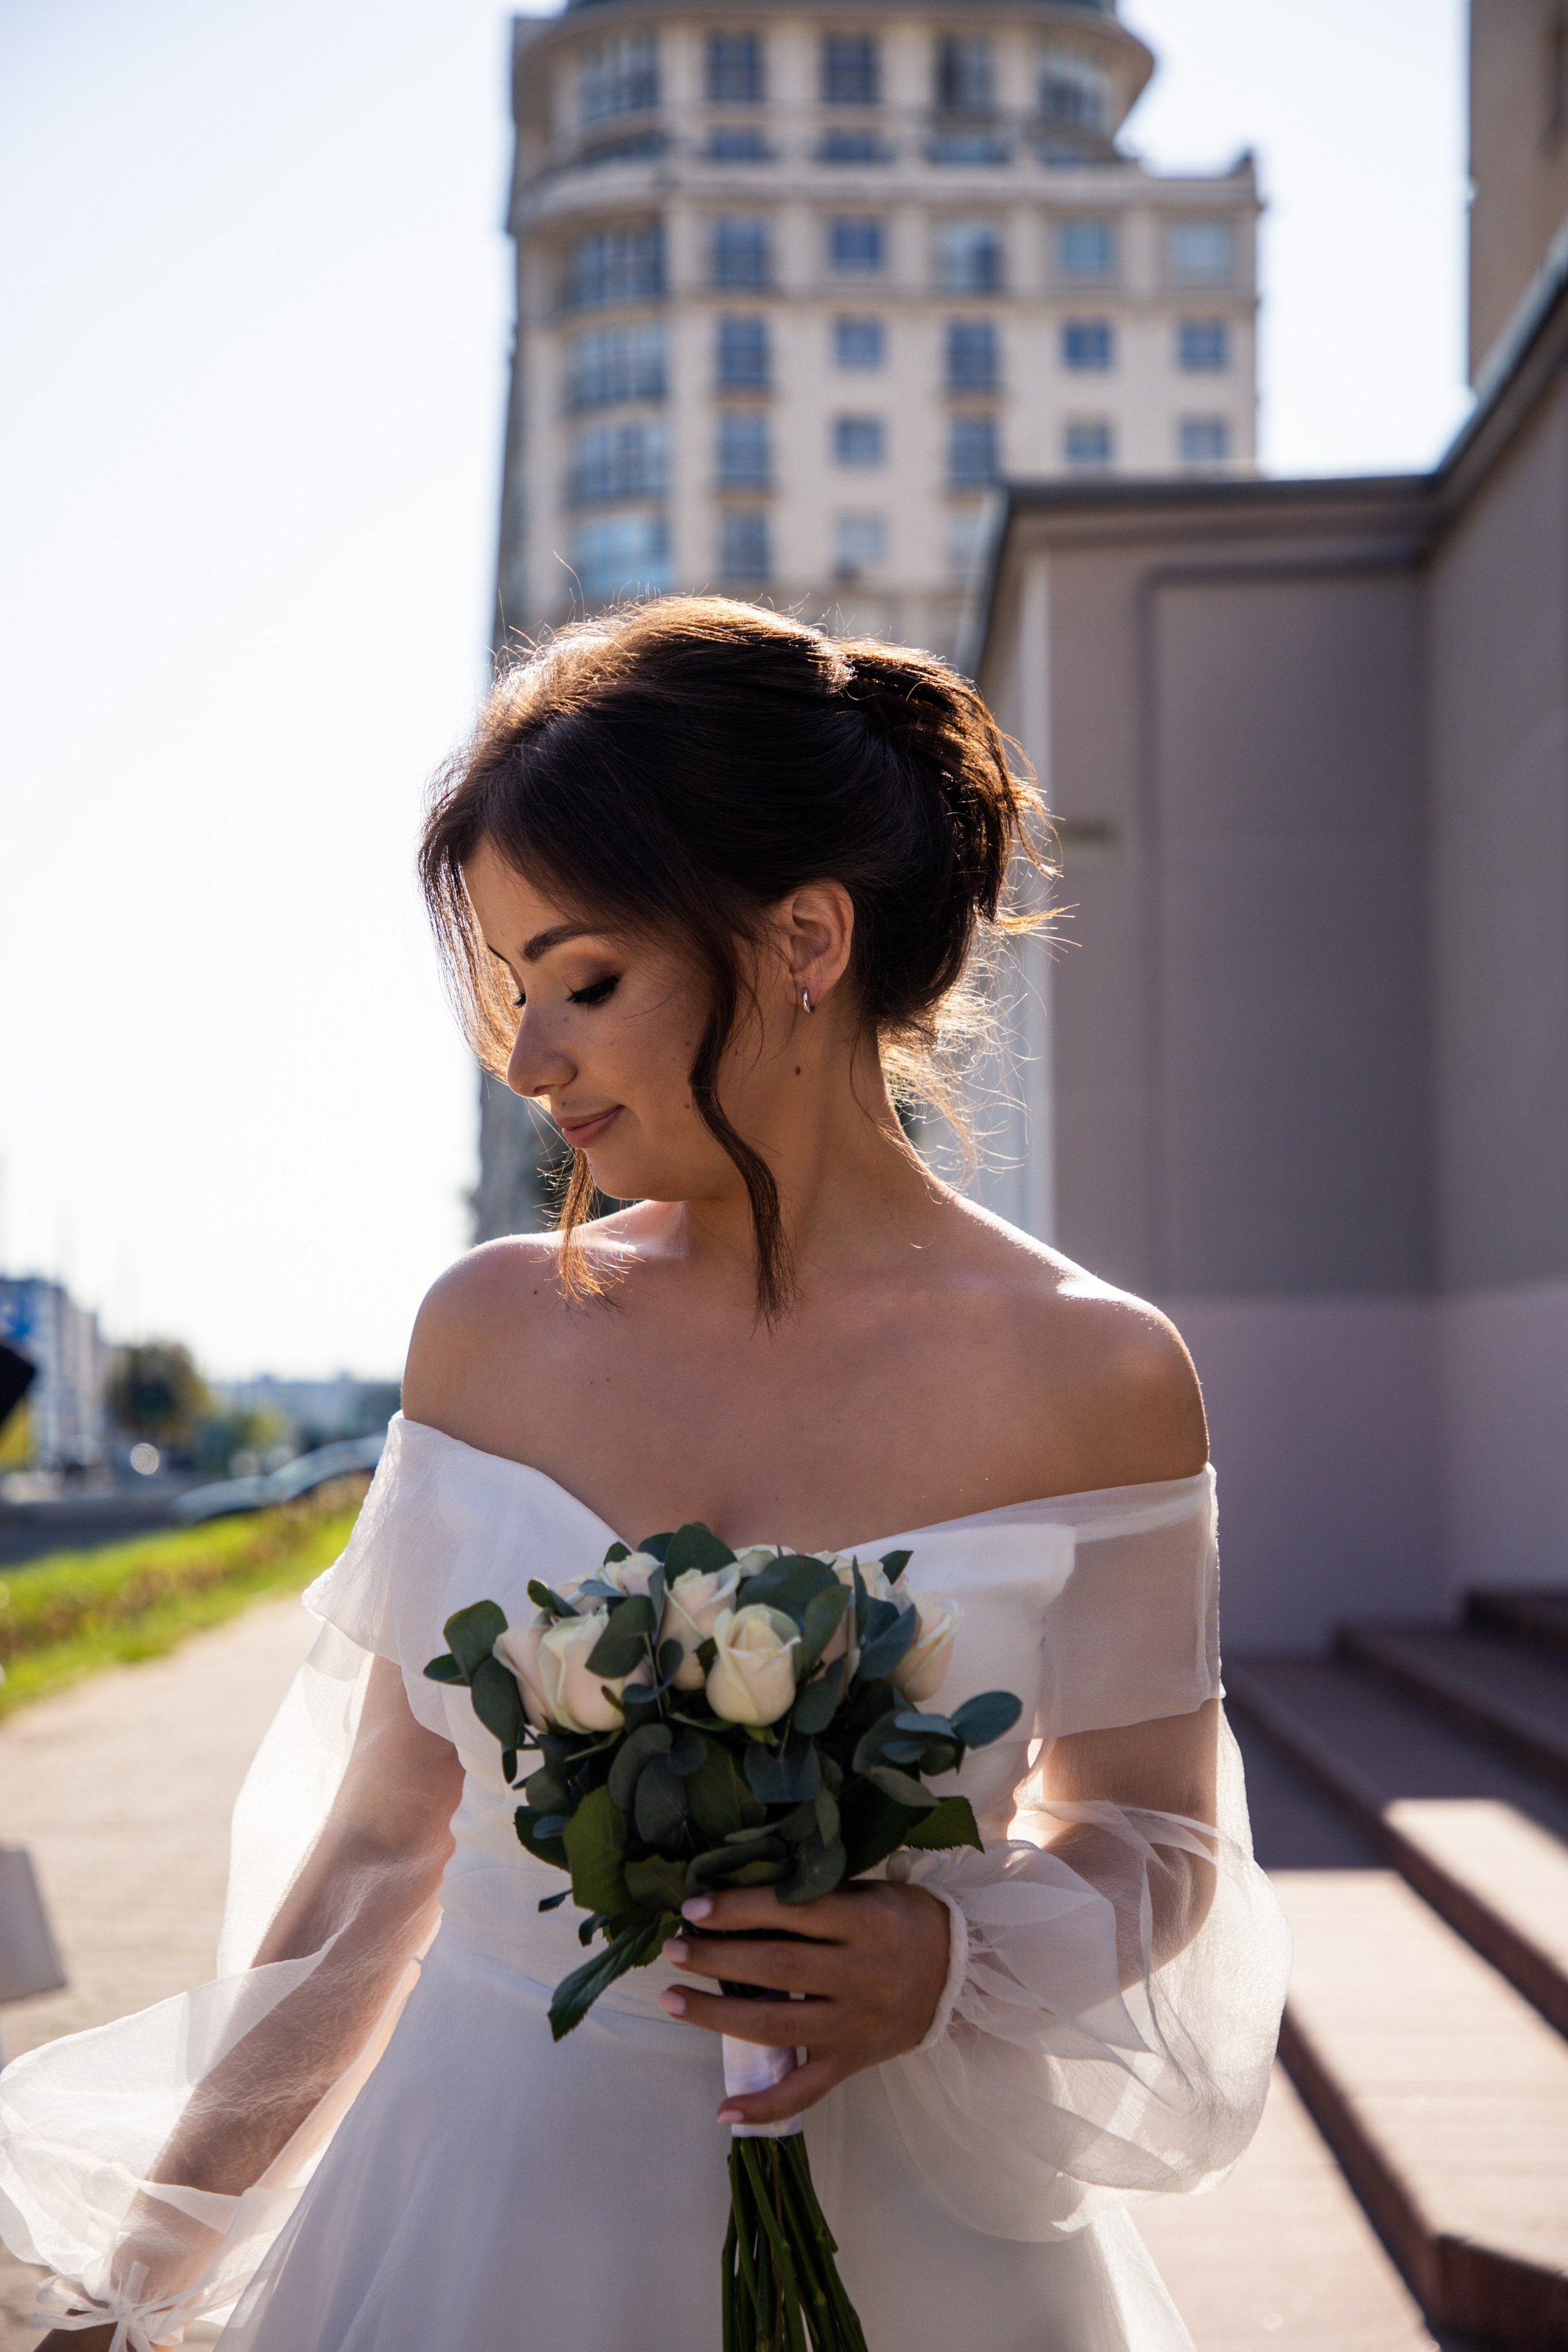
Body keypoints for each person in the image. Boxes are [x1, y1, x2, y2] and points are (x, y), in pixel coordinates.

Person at [6, 598, 1288, 2352]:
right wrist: (139, 2280)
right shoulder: (490, 1331)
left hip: (916, 2246)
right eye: (516, 994)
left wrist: (951, 1959)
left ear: (805, 941)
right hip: (474, 2215)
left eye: (586, 982)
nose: (533, 1064)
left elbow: (1158, 1841)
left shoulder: (1103, 1374)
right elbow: (382, 1851)